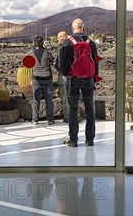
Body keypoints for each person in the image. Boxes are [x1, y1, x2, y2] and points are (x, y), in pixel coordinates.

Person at [58, 19, 98, 147]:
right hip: (88, 79)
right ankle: (90, 139)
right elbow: (96, 61)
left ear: (72, 28)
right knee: (89, 108)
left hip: (73, 80)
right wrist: (94, 77)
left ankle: (73, 139)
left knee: (73, 109)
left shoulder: (67, 43)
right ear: (83, 28)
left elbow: (61, 63)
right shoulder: (91, 43)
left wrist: (66, 74)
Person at [26, 35, 55, 125]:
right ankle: (50, 119)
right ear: (42, 43)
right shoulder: (46, 52)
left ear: (34, 43)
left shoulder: (31, 53)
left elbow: (25, 60)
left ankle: (35, 119)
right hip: (47, 78)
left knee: (36, 99)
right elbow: (52, 60)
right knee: (48, 99)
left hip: (36, 78)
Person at [55, 31, 69, 122]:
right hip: (67, 74)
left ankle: (68, 117)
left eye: (59, 36)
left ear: (64, 37)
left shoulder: (64, 47)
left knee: (66, 96)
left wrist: (58, 67)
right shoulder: (64, 46)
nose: (58, 38)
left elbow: (60, 63)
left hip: (64, 75)